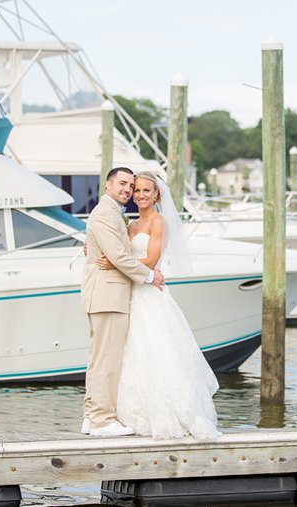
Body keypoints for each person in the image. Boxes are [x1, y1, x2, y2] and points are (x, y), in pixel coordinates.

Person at [96, 171, 221, 439]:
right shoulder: (129, 225)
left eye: (145, 191)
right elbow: (114, 248)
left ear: (157, 195)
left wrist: (116, 264)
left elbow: (151, 261)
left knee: (159, 352)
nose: (139, 195)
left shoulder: (158, 221)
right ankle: (128, 415)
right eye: (136, 190)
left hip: (150, 295)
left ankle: (170, 414)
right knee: (132, 355)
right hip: (130, 294)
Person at [80, 167, 164, 438]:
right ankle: (102, 421)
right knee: (107, 360)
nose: (128, 190)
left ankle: (91, 417)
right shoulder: (105, 213)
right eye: (124, 184)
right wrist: (150, 275)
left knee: (99, 359)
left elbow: (113, 251)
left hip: (108, 294)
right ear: (109, 184)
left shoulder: (113, 214)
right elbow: (117, 254)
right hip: (108, 295)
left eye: (132, 185)